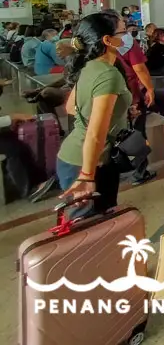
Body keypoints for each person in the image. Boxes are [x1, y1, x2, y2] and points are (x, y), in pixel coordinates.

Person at [57, 13, 131, 214]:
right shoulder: (108, 74)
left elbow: (71, 108)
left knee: (96, 229)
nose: (130, 36)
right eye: (124, 31)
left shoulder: (90, 66)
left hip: (78, 157)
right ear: (108, 40)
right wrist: (87, 175)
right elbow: (95, 133)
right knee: (90, 234)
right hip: (86, 165)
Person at [102, 9, 156, 185]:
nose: (125, 23)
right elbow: (139, 68)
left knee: (111, 132)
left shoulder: (98, 44)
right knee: (136, 132)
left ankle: (114, 168)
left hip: (108, 94)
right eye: (121, 23)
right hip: (131, 94)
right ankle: (139, 172)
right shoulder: (126, 42)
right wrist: (149, 89)